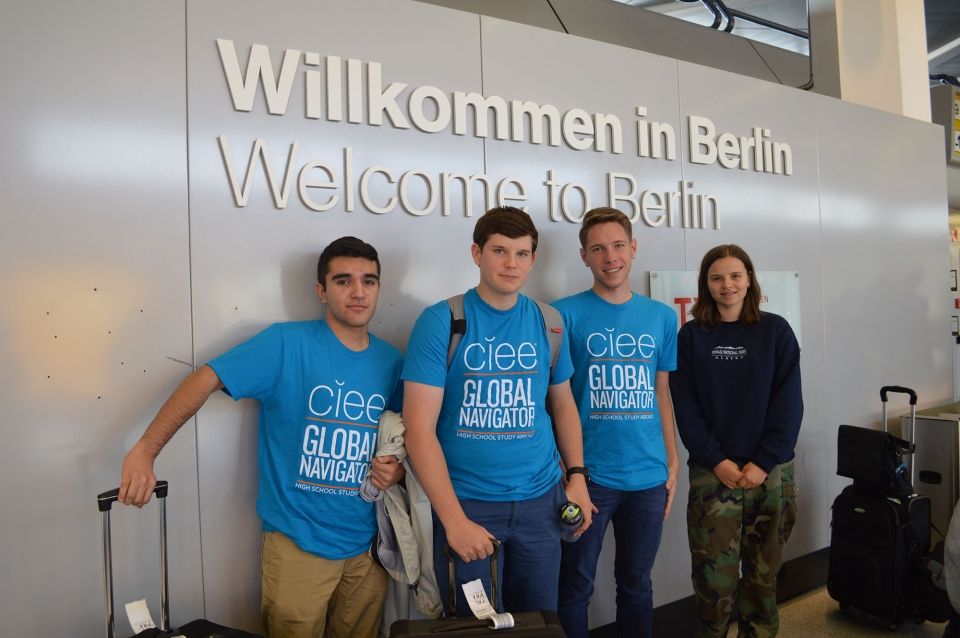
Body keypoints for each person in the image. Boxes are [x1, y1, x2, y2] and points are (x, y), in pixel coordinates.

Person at [117, 236, 405, 638]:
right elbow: (204, 379)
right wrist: (145, 451)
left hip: (368, 549)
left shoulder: (391, 362)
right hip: (298, 545)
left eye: (368, 281)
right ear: (321, 291)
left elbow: (402, 439)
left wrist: (397, 471)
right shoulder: (285, 344)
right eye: (343, 281)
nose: (358, 292)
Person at [402, 206, 593, 617]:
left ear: (533, 259)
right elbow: (418, 430)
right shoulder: (443, 321)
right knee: (475, 624)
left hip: (542, 503)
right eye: (499, 251)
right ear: (476, 253)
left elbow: (563, 404)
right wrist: (453, 520)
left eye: (522, 253)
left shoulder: (549, 322)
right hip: (469, 504)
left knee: (538, 620)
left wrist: (577, 477)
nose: (511, 264)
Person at [553, 207, 679, 638]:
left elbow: (661, 393)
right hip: (589, 478)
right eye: (599, 248)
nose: (611, 257)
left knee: (637, 586)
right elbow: (555, 399)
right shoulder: (561, 315)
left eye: (619, 245)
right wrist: (571, 474)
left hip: (647, 475)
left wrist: (672, 459)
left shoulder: (662, 317)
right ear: (584, 256)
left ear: (634, 248)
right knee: (575, 586)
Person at [669, 244, 802, 638]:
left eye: (735, 276)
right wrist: (717, 460)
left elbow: (788, 403)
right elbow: (685, 407)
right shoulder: (691, 336)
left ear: (749, 281)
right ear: (705, 285)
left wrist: (763, 462)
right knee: (714, 583)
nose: (727, 285)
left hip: (771, 473)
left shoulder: (776, 330)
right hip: (714, 474)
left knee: (763, 580)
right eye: (717, 277)